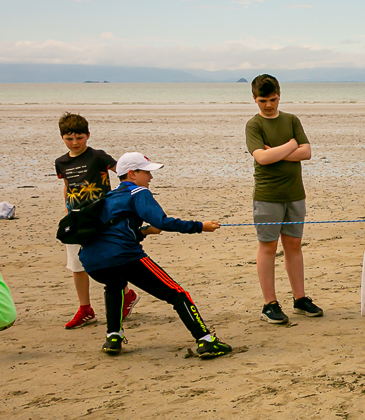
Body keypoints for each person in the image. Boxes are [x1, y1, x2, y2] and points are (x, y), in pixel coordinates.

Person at [78, 153, 231, 359]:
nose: (150, 177)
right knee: (177, 294)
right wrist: (199, 227)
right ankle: (205, 340)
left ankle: (113, 337)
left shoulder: (109, 196)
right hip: (124, 255)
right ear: (132, 174)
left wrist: (144, 232)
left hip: (91, 260)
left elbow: (113, 231)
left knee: (114, 286)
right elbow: (163, 221)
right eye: (147, 172)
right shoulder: (138, 192)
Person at [246, 74, 323, 325]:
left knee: (293, 246)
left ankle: (300, 298)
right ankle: (269, 304)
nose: (268, 105)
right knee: (268, 247)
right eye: (263, 100)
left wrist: (280, 150)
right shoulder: (254, 125)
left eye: (273, 99)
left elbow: (307, 152)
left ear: (280, 95)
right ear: (255, 99)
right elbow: (262, 158)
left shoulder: (291, 120)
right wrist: (291, 146)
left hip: (295, 194)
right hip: (268, 196)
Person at [55, 112, 136, 329]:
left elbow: (124, 173)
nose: (75, 143)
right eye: (69, 139)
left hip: (101, 218)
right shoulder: (60, 162)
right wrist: (67, 209)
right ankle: (85, 309)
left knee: (107, 261)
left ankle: (126, 295)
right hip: (75, 220)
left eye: (79, 138)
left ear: (88, 135)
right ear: (62, 138)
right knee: (77, 265)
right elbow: (68, 186)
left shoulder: (98, 157)